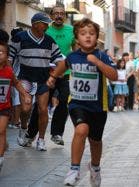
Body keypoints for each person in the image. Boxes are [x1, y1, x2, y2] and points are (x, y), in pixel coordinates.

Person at [46, 18, 117, 186]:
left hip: (99, 106)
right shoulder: (72, 56)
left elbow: (113, 76)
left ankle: (95, 167)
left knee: (95, 141)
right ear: (77, 37)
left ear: (96, 37)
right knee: (81, 130)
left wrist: (98, 63)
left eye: (91, 34)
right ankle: (74, 169)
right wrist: (53, 77)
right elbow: (63, 66)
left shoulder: (101, 56)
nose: (88, 36)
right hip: (77, 103)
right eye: (83, 33)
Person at [9, 12, 64, 151]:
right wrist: (12, 78)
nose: (46, 26)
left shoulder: (50, 41)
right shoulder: (19, 38)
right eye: (44, 23)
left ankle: (41, 140)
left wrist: (57, 74)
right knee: (26, 107)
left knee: (43, 110)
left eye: (47, 23)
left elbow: (59, 60)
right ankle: (23, 128)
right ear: (35, 24)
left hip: (43, 81)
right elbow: (9, 58)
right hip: (25, 79)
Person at [26, 5, 75, 146]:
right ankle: (30, 135)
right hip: (46, 73)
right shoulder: (46, 29)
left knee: (64, 100)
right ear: (51, 16)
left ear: (65, 16)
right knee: (41, 105)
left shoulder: (71, 30)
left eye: (62, 14)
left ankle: (56, 133)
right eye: (56, 13)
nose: (59, 16)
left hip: (64, 73)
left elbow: (75, 48)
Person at [0, 39, 31, 172]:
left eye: (1, 52)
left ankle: (0, 157)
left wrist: (25, 95)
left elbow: (17, 84)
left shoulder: (8, 71)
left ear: (7, 56)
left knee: (1, 131)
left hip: (4, 108)